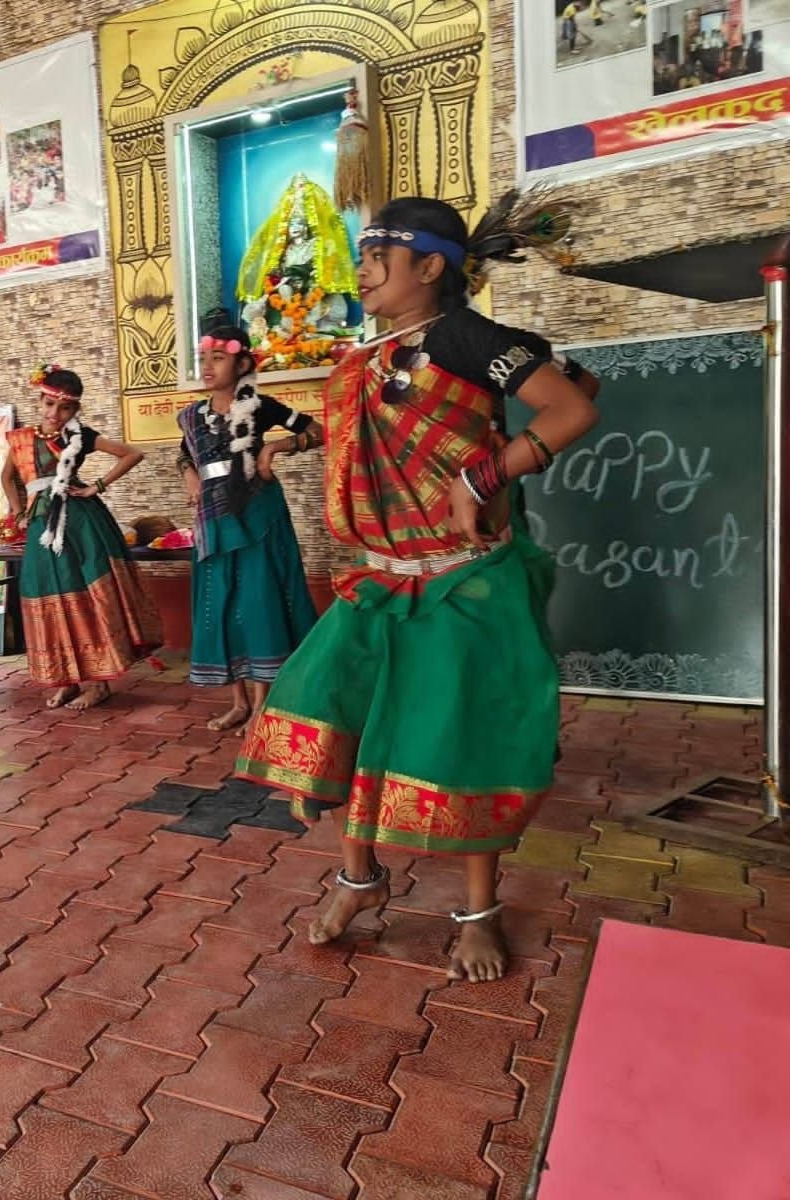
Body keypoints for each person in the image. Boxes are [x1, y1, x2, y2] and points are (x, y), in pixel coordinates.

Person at [234, 194, 601, 983]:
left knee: (459, 743)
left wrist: (486, 475)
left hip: (461, 582)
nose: (362, 273)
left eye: (378, 259)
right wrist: (297, 442)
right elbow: (366, 427)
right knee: (339, 716)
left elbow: (573, 401)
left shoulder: (463, 337)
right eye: (363, 258)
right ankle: (359, 880)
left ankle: (478, 913)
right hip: (380, 580)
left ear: (431, 267)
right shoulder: (370, 351)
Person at [178, 326, 320, 732]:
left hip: (257, 514)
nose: (207, 366)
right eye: (204, 358)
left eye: (218, 358)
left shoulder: (261, 407)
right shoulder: (190, 416)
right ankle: (238, 703)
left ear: (242, 364)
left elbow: (316, 431)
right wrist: (189, 475)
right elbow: (184, 454)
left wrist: (274, 448)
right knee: (221, 603)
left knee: (259, 600)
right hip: (212, 519)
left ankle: (262, 705)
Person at [0, 364, 161, 710]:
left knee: (86, 596)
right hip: (42, 525)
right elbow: (7, 476)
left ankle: (99, 683)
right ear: (39, 401)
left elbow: (133, 453)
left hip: (80, 525)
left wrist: (96, 486)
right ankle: (68, 680)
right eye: (49, 404)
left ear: (75, 409)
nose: (55, 414)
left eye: (65, 408)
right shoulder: (21, 439)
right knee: (50, 595)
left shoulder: (80, 436)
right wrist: (18, 510)